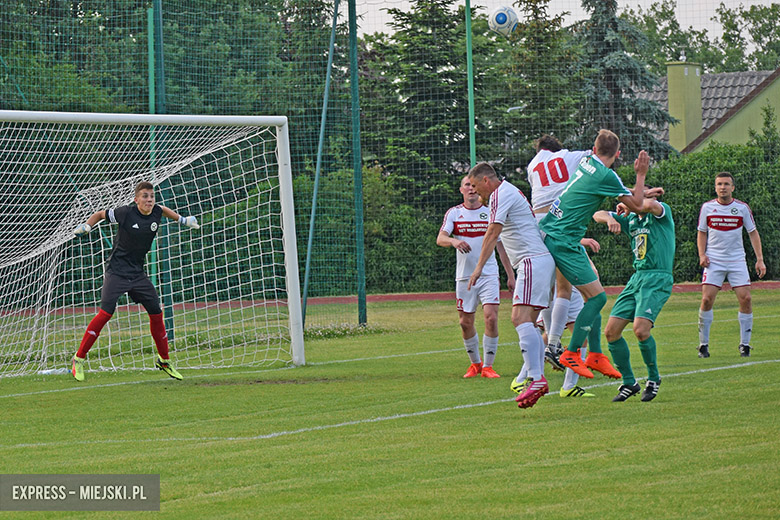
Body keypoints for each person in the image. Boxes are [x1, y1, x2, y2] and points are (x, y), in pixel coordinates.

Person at [538, 129, 650, 380]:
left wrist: (640, 192)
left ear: (594, 149)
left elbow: (621, 193)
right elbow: (637, 204)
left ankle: (596, 355)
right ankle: (570, 352)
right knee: (598, 298)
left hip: (557, 233)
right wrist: (641, 174)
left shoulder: (588, 162)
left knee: (593, 293)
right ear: (618, 155)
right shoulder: (606, 175)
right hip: (563, 240)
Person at [70, 181, 200, 381]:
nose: (149, 200)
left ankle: (164, 360)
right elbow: (100, 214)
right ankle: (78, 358)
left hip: (138, 274)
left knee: (156, 313)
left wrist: (182, 219)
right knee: (105, 313)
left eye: (152, 196)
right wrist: (87, 225)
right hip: (116, 272)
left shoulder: (157, 211)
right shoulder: (125, 213)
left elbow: (164, 210)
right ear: (136, 199)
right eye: (145, 196)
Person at [468, 163, 556, 408]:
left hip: (531, 261)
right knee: (529, 322)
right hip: (537, 262)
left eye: (475, 186)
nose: (474, 191)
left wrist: (478, 268)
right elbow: (502, 238)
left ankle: (536, 378)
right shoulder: (507, 192)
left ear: (486, 181)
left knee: (519, 318)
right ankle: (535, 377)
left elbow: (493, 233)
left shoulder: (500, 194)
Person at [526, 134, 599, 398]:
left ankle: (537, 368)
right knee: (575, 290)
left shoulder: (533, 165)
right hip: (558, 223)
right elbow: (596, 156)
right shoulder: (567, 156)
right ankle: (554, 347)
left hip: (539, 226)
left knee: (550, 293)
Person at [595, 193, 675, 402]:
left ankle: (654, 378)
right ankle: (629, 382)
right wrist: (610, 218)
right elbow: (597, 214)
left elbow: (649, 204)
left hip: (657, 277)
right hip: (637, 278)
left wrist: (633, 201)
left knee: (640, 330)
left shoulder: (660, 212)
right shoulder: (630, 218)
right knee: (611, 332)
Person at [438, 176, 516, 378]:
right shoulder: (454, 213)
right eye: (467, 185)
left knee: (491, 317)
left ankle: (488, 367)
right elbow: (441, 238)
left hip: (488, 273)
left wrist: (510, 275)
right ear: (461, 190)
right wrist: (454, 242)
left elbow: (501, 247)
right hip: (464, 277)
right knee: (465, 322)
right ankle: (475, 364)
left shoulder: (490, 213)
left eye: (474, 185)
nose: (471, 189)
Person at [696, 172, 765, 358]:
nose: (723, 187)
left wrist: (759, 259)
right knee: (706, 300)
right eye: (719, 184)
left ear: (732, 188)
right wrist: (702, 254)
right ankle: (703, 345)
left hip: (737, 260)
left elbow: (753, 232)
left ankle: (745, 345)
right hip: (714, 260)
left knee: (746, 299)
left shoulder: (742, 208)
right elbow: (702, 232)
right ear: (715, 187)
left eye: (726, 184)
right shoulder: (707, 208)